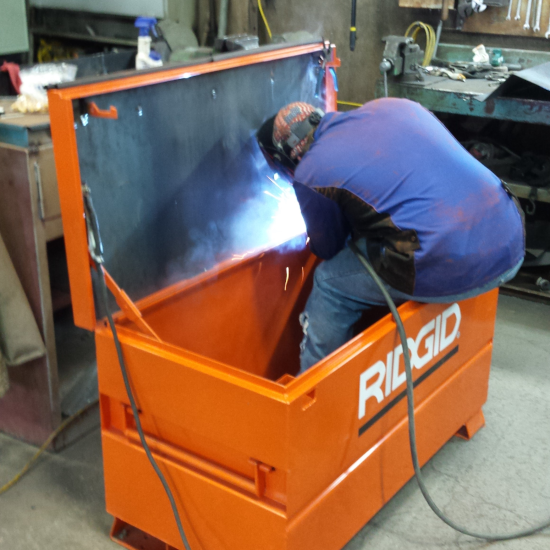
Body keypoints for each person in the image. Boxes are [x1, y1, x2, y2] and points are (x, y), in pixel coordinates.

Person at [256, 99, 525, 373]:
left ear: (292, 154)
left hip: (451, 258)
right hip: (507, 232)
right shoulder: (393, 106)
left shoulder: (311, 170)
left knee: (329, 282)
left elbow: (328, 246)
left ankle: (315, 394)